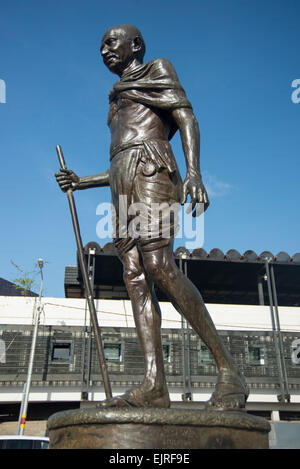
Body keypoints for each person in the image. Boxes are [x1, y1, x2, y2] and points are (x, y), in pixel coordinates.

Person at [55, 24, 248, 410]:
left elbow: (186, 118)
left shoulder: (157, 68)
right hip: (122, 180)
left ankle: (230, 372)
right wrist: (81, 181)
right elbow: (118, 159)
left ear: (136, 45)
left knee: (160, 267)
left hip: (152, 169)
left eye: (112, 42)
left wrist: (194, 172)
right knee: (134, 275)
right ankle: (153, 384)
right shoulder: (115, 100)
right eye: (101, 46)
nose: (105, 50)